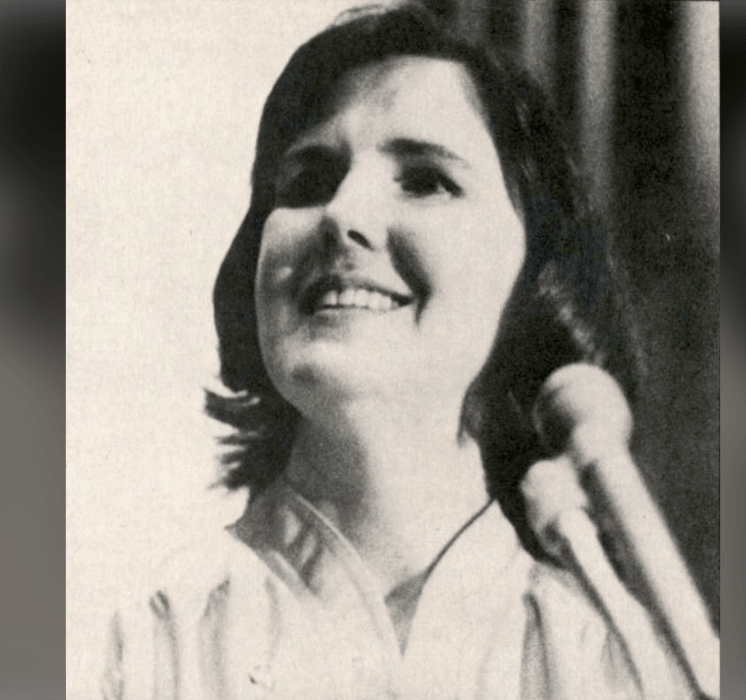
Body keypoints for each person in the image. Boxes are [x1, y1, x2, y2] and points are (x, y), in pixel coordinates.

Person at [104, 4, 690, 698]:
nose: (343, 214)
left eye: (425, 180)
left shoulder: (625, 666)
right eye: (306, 182)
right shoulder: (133, 644)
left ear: (539, 271)